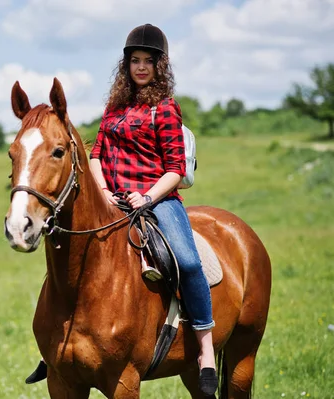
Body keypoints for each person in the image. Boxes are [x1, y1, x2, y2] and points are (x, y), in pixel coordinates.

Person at [24, 23, 218, 396]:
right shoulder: (114, 108)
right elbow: (96, 154)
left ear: (160, 66)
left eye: (148, 61)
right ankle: (57, 347)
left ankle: (205, 350)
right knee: (70, 261)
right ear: (126, 65)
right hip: (112, 199)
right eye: (135, 60)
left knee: (188, 261)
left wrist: (146, 197)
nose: (141, 67)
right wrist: (103, 191)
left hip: (157, 200)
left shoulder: (165, 109)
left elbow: (176, 168)